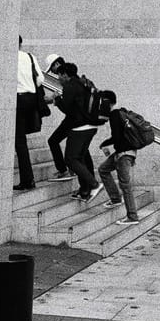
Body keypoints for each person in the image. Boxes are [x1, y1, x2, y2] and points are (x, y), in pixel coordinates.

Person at [56, 62, 104, 201]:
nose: (58, 78)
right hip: (91, 126)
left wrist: (57, 99)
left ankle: (94, 184)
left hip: (79, 128)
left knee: (70, 159)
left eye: (59, 75)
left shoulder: (70, 86)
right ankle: (84, 190)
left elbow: (67, 109)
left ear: (65, 74)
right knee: (80, 158)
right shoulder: (83, 83)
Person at [97, 91, 141, 225]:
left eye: (102, 102)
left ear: (107, 102)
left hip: (124, 154)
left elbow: (116, 137)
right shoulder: (121, 112)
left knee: (125, 185)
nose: (100, 105)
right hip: (124, 152)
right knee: (103, 169)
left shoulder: (115, 115)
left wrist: (105, 143)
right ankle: (115, 198)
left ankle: (132, 216)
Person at [13, 36, 46, 191]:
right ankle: (28, 179)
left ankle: (27, 180)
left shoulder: (8, 57)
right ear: (20, 44)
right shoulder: (30, 56)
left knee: (19, 141)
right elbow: (40, 79)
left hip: (18, 99)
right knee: (21, 140)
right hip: (31, 99)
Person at [44, 54, 74, 182]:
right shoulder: (72, 76)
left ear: (56, 64)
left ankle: (63, 170)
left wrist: (55, 100)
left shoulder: (66, 79)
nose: (53, 73)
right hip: (76, 118)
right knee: (79, 147)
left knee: (53, 141)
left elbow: (67, 104)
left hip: (73, 118)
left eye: (52, 69)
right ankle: (72, 170)